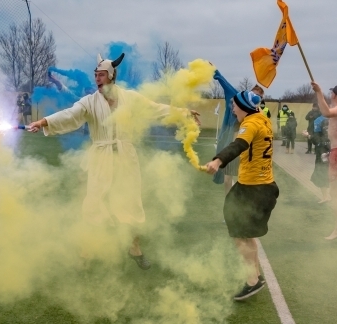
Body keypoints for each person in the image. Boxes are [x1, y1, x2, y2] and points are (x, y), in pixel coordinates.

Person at [29, 53, 200, 270]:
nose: (97, 79)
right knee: (93, 202)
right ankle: (87, 249)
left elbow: (156, 109)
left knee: (132, 202)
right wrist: (43, 122)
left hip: (126, 157)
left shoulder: (131, 98)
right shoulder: (89, 102)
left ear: (111, 76)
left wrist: (183, 113)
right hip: (101, 157)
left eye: (101, 75)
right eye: (96, 75)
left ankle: (134, 247)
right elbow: (70, 115)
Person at [204, 90, 279, 301]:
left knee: (238, 233)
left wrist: (218, 161)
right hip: (264, 187)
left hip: (252, 189)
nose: (232, 108)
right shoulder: (263, 119)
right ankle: (254, 276)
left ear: (244, 107)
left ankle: (252, 282)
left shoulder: (250, 124)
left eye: (234, 105)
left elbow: (239, 144)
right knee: (247, 235)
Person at [311, 83, 337, 240]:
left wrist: (319, 92)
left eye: (330, 94)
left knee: (335, 192)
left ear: (334, 95)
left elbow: (326, 112)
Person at [306, 115, 331, 203]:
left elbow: (317, 140)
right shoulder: (334, 121)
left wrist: (308, 136)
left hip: (322, 153)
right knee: (330, 174)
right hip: (332, 152)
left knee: (321, 174)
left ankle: (325, 197)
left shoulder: (319, 121)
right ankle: (330, 195)